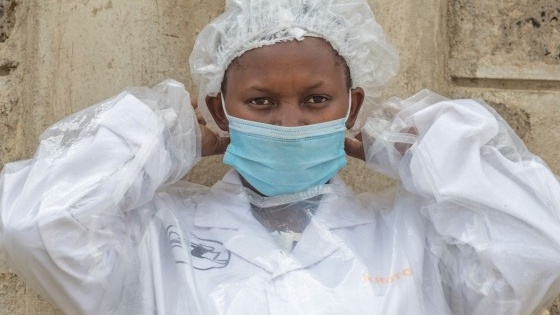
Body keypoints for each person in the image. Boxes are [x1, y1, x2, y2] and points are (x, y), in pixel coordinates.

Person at [1, 0, 560, 314]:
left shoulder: (412, 232)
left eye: (317, 101)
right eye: (261, 102)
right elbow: (31, 223)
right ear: (220, 111)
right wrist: (160, 139)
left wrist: (431, 154)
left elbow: (542, 247)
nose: (290, 123)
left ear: (352, 105)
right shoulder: (155, 236)